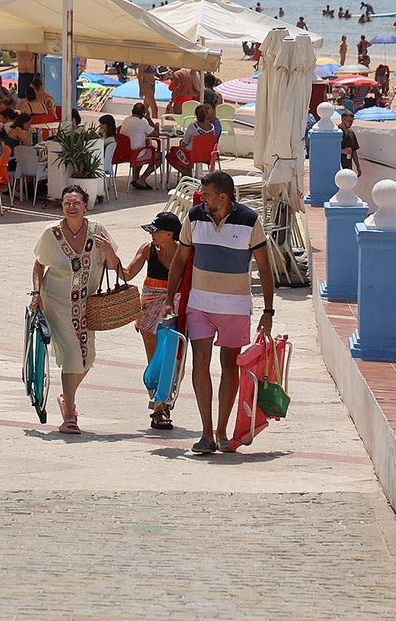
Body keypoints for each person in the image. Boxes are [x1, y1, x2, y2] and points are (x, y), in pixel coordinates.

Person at [182, 171, 273, 454]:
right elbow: (180, 259)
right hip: (199, 305)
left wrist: (268, 311)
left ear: (222, 197)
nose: (202, 199)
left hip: (235, 308)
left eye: (207, 195)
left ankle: (222, 431)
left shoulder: (249, 221)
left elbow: (265, 268)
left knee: (229, 366)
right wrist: (170, 298)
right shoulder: (194, 217)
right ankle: (206, 433)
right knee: (199, 363)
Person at [30, 184, 124, 435]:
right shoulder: (51, 233)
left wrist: (108, 251)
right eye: (66, 203)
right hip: (56, 302)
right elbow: (39, 266)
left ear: (85, 205)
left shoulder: (97, 230)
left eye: (76, 203)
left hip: (86, 305)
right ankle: (69, 416)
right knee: (72, 355)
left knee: (87, 357)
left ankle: (66, 396)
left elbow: (114, 266)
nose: (71, 207)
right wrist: (36, 293)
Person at [122, 211, 186, 430]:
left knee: (175, 360)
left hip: (176, 306)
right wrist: (109, 255)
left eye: (156, 231)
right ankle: (159, 409)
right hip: (149, 307)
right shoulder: (147, 249)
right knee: (154, 360)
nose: (152, 234)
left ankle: (165, 402)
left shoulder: (185, 252)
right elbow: (127, 274)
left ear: (169, 234)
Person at [120, 102, 158, 190]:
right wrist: (149, 119)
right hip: (137, 153)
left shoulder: (126, 120)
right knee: (160, 157)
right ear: (143, 114)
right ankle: (142, 179)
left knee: (141, 148)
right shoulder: (142, 122)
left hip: (125, 153)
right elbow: (156, 134)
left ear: (132, 111)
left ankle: (135, 178)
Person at [338, 110, 362, 175]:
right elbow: (330, 149)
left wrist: (358, 167)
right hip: (338, 164)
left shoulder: (351, 133)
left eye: (352, 121)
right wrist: (343, 151)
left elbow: (354, 151)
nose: (351, 123)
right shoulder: (336, 132)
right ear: (342, 119)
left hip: (348, 165)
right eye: (349, 121)